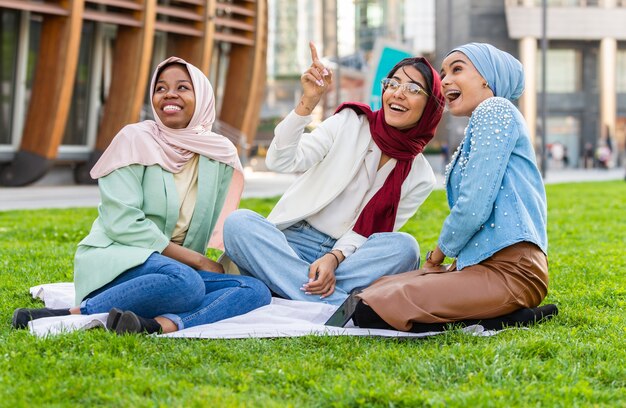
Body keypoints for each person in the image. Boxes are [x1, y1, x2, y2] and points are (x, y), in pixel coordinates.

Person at [13, 57, 271, 334]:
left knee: (253, 289)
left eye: (183, 87)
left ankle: (154, 325)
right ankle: (71, 313)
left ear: (203, 97)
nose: (169, 93)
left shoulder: (219, 154)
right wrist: (197, 261)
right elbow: (123, 223)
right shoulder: (134, 139)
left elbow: (213, 223)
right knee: (187, 283)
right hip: (123, 258)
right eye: (160, 88)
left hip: (176, 270)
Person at [349, 43, 555, 332]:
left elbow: (473, 206)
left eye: (457, 69)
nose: (444, 80)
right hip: (480, 267)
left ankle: (505, 319)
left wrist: (436, 257)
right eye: (443, 73)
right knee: (378, 289)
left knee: (372, 309)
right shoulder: (481, 123)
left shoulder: (496, 109)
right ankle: (500, 316)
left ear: (487, 78)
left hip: (512, 271)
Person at [222, 42, 445, 306]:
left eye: (412, 89)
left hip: (347, 260)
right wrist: (308, 102)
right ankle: (335, 302)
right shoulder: (349, 122)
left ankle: (288, 285)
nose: (398, 93)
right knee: (238, 223)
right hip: (289, 243)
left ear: (431, 105)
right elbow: (281, 160)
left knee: (405, 248)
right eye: (393, 84)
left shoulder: (420, 176)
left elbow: (372, 233)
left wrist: (334, 257)